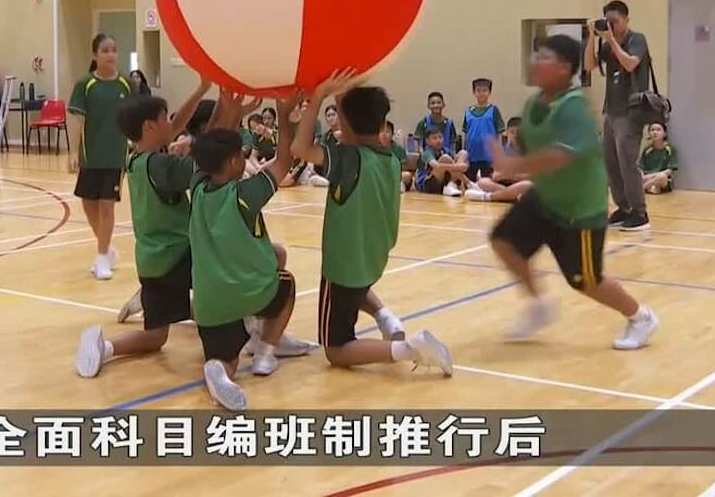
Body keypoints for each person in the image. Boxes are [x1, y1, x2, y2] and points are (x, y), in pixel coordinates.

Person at [489, 34, 659, 349]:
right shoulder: (533, 104)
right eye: (536, 56)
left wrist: (513, 166)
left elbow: (559, 155)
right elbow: (531, 143)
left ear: (565, 68)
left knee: (586, 281)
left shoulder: (574, 107)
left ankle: (640, 317)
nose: (535, 62)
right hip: (546, 200)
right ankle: (539, 305)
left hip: (579, 211)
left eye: (545, 57)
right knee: (503, 240)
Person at [291, 73, 454, 377]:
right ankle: (385, 316)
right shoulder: (389, 158)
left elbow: (299, 149)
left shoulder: (347, 160)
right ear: (382, 125)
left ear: (344, 125)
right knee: (356, 290)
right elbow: (354, 119)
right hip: (373, 258)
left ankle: (410, 349)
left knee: (336, 349)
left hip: (344, 266)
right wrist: (341, 89)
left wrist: (318, 98)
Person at [75, 77, 213, 377]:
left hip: (151, 260)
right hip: (180, 254)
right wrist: (224, 111)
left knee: (156, 337)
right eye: (165, 118)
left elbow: (175, 127)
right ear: (150, 126)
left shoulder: (135, 159)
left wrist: (201, 89)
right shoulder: (161, 166)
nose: (171, 123)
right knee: (220, 289)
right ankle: (250, 334)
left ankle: (105, 348)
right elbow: (207, 158)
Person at [188, 97, 301, 411]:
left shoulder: (197, 187)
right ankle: (266, 353)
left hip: (209, 306)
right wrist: (283, 115)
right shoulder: (244, 194)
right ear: (232, 162)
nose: (244, 159)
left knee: (228, 360)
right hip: (244, 295)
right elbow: (284, 161)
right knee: (286, 282)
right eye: (240, 155)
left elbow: (208, 148)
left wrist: (232, 108)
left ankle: (218, 370)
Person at [67, 33, 133, 280]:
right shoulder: (85, 84)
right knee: (89, 204)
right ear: (95, 55)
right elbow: (76, 120)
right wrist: (73, 152)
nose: (111, 55)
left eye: (114, 50)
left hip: (115, 156)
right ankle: (107, 247)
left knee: (107, 206)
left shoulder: (126, 84)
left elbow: (135, 117)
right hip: (90, 155)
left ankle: (102, 257)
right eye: (105, 50)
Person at [584, 0, 652, 232]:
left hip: (631, 111)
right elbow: (589, 66)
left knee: (627, 161)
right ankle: (623, 207)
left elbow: (631, 64)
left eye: (615, 21)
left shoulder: (637, 39)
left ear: (626, 19)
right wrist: (592, 36)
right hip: (611, 110)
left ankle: (639, 212)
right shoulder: (606, 44)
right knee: (611, 162)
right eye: (608, 21)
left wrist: (611, 41)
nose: (611, 25)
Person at [462, 78, 505, 181]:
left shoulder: (494, 110)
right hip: (472, 155)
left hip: (488, 156)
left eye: (484, 90)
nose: (481, 93)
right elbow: (466, 133)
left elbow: (499, 132)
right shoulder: (468, 111)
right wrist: (465, 151)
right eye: (478, 90)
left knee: (488, 182)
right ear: (474, 92)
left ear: (489, 92)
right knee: (470, 183)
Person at [638, 122, 678, 195]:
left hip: (662, 178)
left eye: (658, 130)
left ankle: (641, 188)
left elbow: (670, 171)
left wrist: (652, 176)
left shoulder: (670, 149)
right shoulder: (647, 150)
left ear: (664, 133)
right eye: (652, 130)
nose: (655, 132)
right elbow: (640, 167)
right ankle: (652, 187)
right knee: (634, 177)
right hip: (647, 177)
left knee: (662, 177)